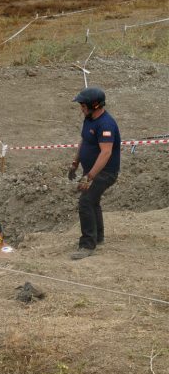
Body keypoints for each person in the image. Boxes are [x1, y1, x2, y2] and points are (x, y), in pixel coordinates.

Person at [67, 87, 120, 260]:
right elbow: (84, 141)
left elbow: (106, 153)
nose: (81, 108)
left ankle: (87, 245)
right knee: (93, 201)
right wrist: (76, 163)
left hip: (105, 172)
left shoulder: (106, 124)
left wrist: (89, 177)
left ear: (94, 105)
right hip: (91, 171)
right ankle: (99, 237)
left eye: (83, 105)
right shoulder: (89, 119)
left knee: (85, 201)